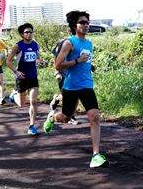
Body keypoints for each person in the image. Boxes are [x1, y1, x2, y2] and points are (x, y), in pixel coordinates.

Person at [43, 11, 106, 168]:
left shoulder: (89, 43)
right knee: (65, 117)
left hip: (86, 85)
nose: (85, 25)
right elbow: (58, 65)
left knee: (94, 116)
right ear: (74, 25)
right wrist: (77, 61)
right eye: (82, 22)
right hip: (70, 86)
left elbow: (85, 62)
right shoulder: (69, 43)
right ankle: (52, 117)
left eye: (87, 22)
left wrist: (89, 66)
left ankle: (96, 155)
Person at [6, 23, 41, 135]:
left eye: (31, 32)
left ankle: (32, 126)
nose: (29, 34)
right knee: (22, 104)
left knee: (33, 101)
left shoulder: (35, 45)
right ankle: (13, 96)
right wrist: (16, 72)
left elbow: (37, 57)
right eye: (26, 32)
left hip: (33, 77)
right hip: (21, 77)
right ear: (22, 34)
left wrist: (40, 61)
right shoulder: (18, 46)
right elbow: (8, 61)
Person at [48, 33, 78, 125]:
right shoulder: (63, 42)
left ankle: (57, 99)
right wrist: (57, 72)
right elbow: (56, 59)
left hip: (75, 74)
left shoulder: (82, 43)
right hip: (63, 74)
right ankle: (70, 116)